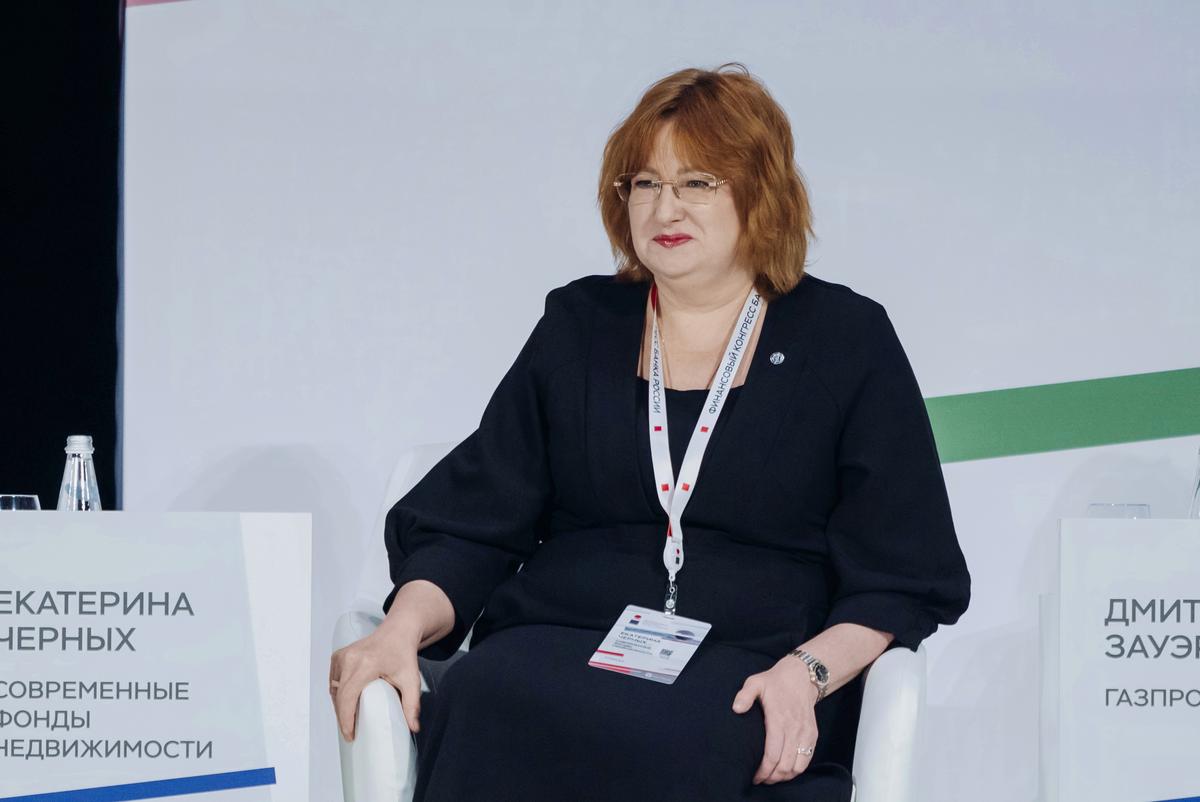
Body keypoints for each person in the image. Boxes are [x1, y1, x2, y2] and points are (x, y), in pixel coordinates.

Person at [329, 63, 970, 801]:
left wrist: (807, 673)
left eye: (698, 182)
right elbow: (473, 519)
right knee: (481, 693)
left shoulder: (846, 339)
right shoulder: (580, 325)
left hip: (749, 666)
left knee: (684, 736)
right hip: (559, 641)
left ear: (760, 191)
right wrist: (400, 628)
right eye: (645, 182)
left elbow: (901, 575)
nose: (667, 207)